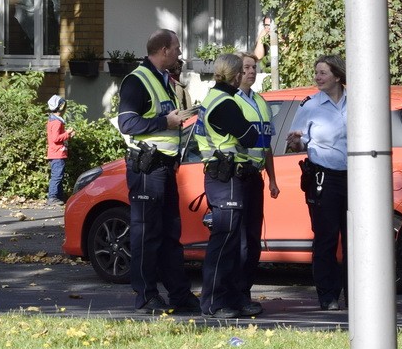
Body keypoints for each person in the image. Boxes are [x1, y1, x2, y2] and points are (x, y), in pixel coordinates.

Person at [117, 29, 200, 314]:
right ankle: (145, 295)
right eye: (177, 47)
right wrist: (166, 121)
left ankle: (179, 294)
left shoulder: (165, 80)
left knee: (170, 235)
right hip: (146, 168)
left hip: (164, 167)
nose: (180, 52)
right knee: (146, 234)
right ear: (163, 49)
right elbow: (127, 124)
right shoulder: (137, 80)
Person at [194, 53, 263, 319]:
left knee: (230, 243)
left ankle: (227, 300)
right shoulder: (225, 103)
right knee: (224, 244)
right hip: (225, 177)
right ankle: (213, 303)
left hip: (222, 176)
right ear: (235, 75)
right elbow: (250, 136)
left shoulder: (213, 98)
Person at [286, 55, 348, 310]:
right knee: (326, 237)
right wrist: (295, 142)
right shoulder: (310, 105)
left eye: (323, 73)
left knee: (356, 238)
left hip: (355, 178)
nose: (318, 77)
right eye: (316, 72)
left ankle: (356, 294)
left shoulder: (357, 101)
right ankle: (328, 295)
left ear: (337, 75)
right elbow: (296, 143)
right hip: (324, 177)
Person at [235, 52, 280, 308]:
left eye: (254, 67)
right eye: (246, 67)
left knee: (252, 239)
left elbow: (267, 145)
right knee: (240, 241)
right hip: (238, 176)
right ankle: (238, 293)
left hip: (256, 178)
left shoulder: (261, 102)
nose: (251, 71)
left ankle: (246, 291)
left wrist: (273, 178)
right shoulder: (233, 100)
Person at [45, 95, 74, 206]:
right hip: (57, 153)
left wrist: (68, 135)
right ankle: (52, 197)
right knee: (57, 176)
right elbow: (56, 138)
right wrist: (67, 133)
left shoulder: (53, 120)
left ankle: (59, 197)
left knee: (58, 176)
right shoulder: (57, 122)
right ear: (61, 107)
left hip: (56, 153)